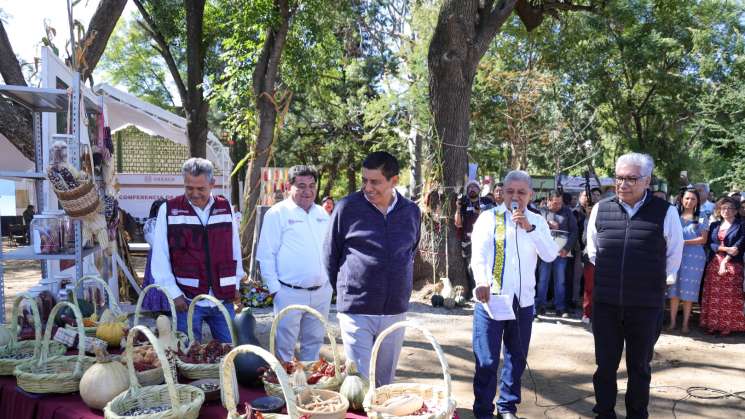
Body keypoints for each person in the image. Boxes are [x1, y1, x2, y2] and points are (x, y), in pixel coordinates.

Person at [587, 152, 684, 419]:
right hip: (606, 304)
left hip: (644, 305)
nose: (623, 184)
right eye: (619, 177)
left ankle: (637, 414)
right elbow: (594, 252)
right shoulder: (600, 209)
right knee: (605, 365)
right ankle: (604, 413)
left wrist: (651, 282)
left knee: (639, 366)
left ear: (647, 180)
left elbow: (674, 255)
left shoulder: (666, 212)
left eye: (631, 178)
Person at [323, 151, 421, 386]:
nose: (368, 187)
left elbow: (410, 251)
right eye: (364, 180)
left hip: (395, 310)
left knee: (385, 384)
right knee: (360, 384)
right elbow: (330, 255)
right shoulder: (347, 208)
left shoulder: (411, 212)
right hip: (356, 309)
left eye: (375, 181)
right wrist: (348, 290)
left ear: (394, 181)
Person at [470, 170, 559, 419]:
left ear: (530, 194)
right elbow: (478, 256)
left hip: (523, 303)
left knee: (516, 358)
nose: (515, 196)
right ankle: (483, 410)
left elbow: (550, 255)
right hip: (492, 301)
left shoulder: (537, 222)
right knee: (486, 360)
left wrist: (529, 228)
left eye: (521, 192)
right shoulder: (488, 219)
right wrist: (481, 282)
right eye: (510, 191)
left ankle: (507, 407)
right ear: (502, 193)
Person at [152, 158, 243, 343]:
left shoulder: (225, 208)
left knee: (231, 351)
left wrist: (236, 284)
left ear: (212, 184)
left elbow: (234, 248)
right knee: (188, 355)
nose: (194, 194)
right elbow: (160, 255)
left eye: (200, 189)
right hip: (187, 299)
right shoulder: (169, 210)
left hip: (222, 297)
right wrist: (174, 293)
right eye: (189, 188)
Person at [256, 165, 332, 361]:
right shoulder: (277, 213)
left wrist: (330, 285)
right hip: (288, 292)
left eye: (311, 186)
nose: (307, 191)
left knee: (314, 344)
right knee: (284, 347)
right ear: (289, 187)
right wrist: (275, 290)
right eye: (301, 186)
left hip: (321, 293)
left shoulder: (323, 215)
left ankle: (309, 387)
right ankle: (284, 388)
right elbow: (266, 254)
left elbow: (330, 251)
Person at [700, 197, 745, 335]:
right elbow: (710, 244)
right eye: (723, 208)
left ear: (736, 211)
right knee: (713, 294)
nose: (726, 211)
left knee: (730, 295)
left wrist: (726, 260)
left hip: (733, 263)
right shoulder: (714, 225)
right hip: (714, 263)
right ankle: (712, 324)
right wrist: (725, 249)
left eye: (730, 208)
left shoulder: (742, 225)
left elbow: (740, 245)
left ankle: (728, 325)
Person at [667, 187, 709, 334]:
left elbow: (703, 239)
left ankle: (685, 324)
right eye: (687, 198)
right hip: (675, 255)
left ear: (697, 201)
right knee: (673, 290)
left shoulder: (702, 215)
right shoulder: (674, 214)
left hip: (694, 258)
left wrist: (683, 242)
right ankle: (672, 322)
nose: (689, 201)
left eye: (693, 199)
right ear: (681, 199)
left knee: (689, 291)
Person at [536, 190, 578, 318]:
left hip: (562, 253)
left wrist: (567, 248)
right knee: (543, 279)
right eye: (555, 203)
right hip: (545, 252)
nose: (558, 206)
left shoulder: (568, 212)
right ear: (548, 201)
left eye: (560, 203)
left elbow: (574, 231)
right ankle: (540, 306)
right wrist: (548, 224)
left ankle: (560, 307)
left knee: (560, 281)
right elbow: (535, 226)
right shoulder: (541, 212)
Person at [455, 180, 497, 294]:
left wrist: (480, 213)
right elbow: (458, 224)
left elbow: (494, 218)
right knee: (470, 266)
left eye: (475, 187)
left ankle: (490, 289)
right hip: (468, 240)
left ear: (479, 189)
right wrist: (458, 208)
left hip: (485, 240)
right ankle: (474, 290)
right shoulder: (463, 204)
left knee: (487, 264)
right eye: (469, 187)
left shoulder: (486, 201)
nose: (472, 189)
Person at [141, 198, 171, 312]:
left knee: (168, 280)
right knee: (156, 280)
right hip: (157, 256)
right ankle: (157, 307)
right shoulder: (151, 223)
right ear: (156, 210)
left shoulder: (168, 221)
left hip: (168, 255)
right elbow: (153, 241)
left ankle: (168, 307)